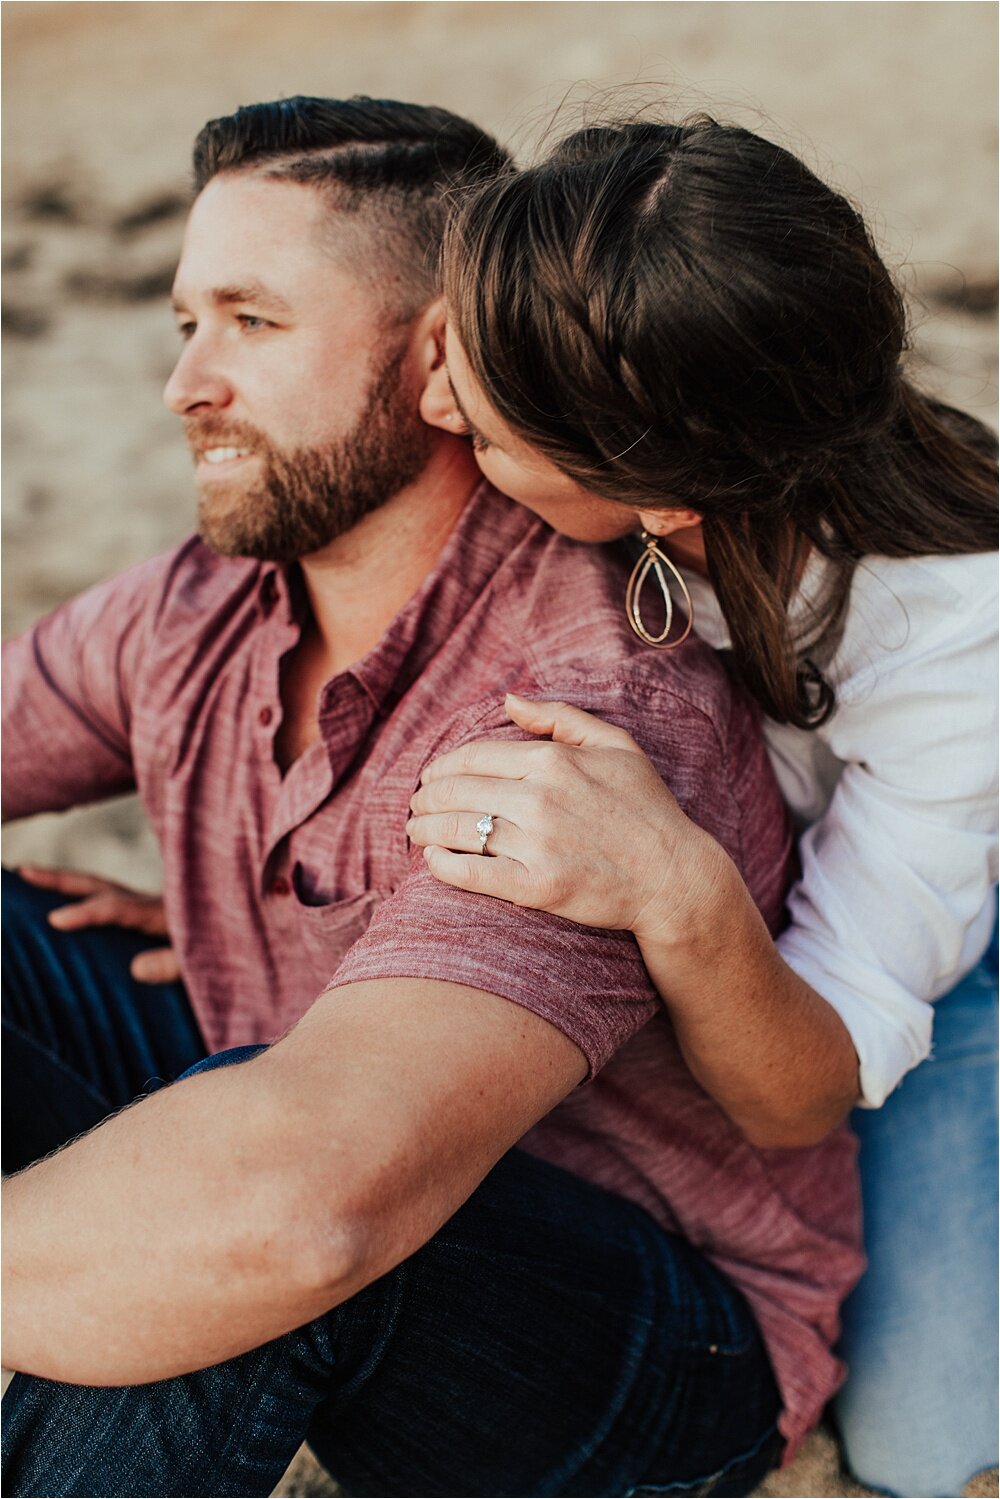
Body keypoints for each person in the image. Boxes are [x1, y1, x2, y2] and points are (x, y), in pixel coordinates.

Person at [0, 97, 863, 1498]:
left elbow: (302, 1204)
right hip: (311, 1098)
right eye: (185, 325)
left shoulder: (584, 718)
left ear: (440, 358)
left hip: (657, 1339)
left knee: (241, 1237)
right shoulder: (204, 604)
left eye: (252, 323)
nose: (186, 386)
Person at [405, 114, 1000, 1498]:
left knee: (928, 1449)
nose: (439, 410)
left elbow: (805, 1091)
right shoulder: (631, 410)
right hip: (807, 892)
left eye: (484, 423)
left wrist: (675, 892)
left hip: (960, 959)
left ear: (662, 491)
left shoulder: (953, 631)